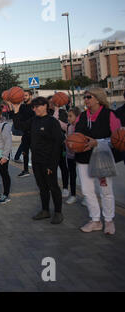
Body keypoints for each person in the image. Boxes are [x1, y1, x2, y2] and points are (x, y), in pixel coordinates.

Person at [75, 88, 122, 235]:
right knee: (87, 191)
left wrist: (98, 142)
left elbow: (117, 139)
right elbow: (75, 135)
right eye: (85, 97)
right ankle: (95, 220)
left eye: (89, 97)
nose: (86, 99)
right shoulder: (82, 116)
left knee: (105, 191)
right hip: (84, 158)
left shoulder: (109, 115)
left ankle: (108, 220)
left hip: (102, 156)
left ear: (98, 98)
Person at [12, 97, 64, 224]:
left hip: (49, 161)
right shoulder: (34, 120)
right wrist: (16, 110)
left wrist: (52, 165)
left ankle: (58, 212)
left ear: (46, 106)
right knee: (42, 187)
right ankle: (45, 210)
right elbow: (19, 126)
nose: (36, 109)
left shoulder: (52, 122)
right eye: (34, 107)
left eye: (39, 106)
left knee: (53, 186)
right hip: (36, 160)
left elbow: (58, 144)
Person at [10, 90, 34, 177]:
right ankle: (25, 170)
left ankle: (39, 170)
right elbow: (16, 119)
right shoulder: (22, 107)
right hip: (25, 133)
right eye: (23, 95)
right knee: (25, 153)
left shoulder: (34, 106)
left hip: (34, 134)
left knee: (35, 154)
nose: (24, 97)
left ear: (31, 96)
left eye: (26, 95)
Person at [65, 107, 81, 205]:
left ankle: (87, 198)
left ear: (77, 117)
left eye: (70, 116)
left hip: (80, 155)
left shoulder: (80, 127)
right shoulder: (68, 127)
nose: (68, 118)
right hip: (70, 155)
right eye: (68, 116)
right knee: (72, 176)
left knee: (84, 177)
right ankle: (73, 195)